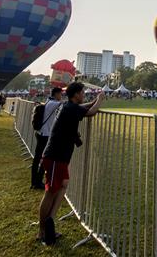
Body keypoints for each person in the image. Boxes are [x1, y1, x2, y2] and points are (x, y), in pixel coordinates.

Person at [37, 82, 104, 245]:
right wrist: (100, 100)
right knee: (50, 191)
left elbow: (84, 107)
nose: (84, 95)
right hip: (55, 157)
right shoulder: (70, 108)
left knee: (64, 184)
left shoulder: (69, 106)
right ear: (76, 95)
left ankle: (50, 220)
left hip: (60, 157)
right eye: (82, 93)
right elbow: (91, 112)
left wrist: (94, 100)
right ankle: (42, 231)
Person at [31, 87, 63, 189]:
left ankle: (34, 181)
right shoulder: (54, 103)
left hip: (40, 133)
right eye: (60, 94)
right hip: (45, 135)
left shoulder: (48, 101)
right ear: (56, 94)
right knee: (45, 158)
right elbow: (67, 105)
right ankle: (38, 181)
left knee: (37, 159)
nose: (61, 96)